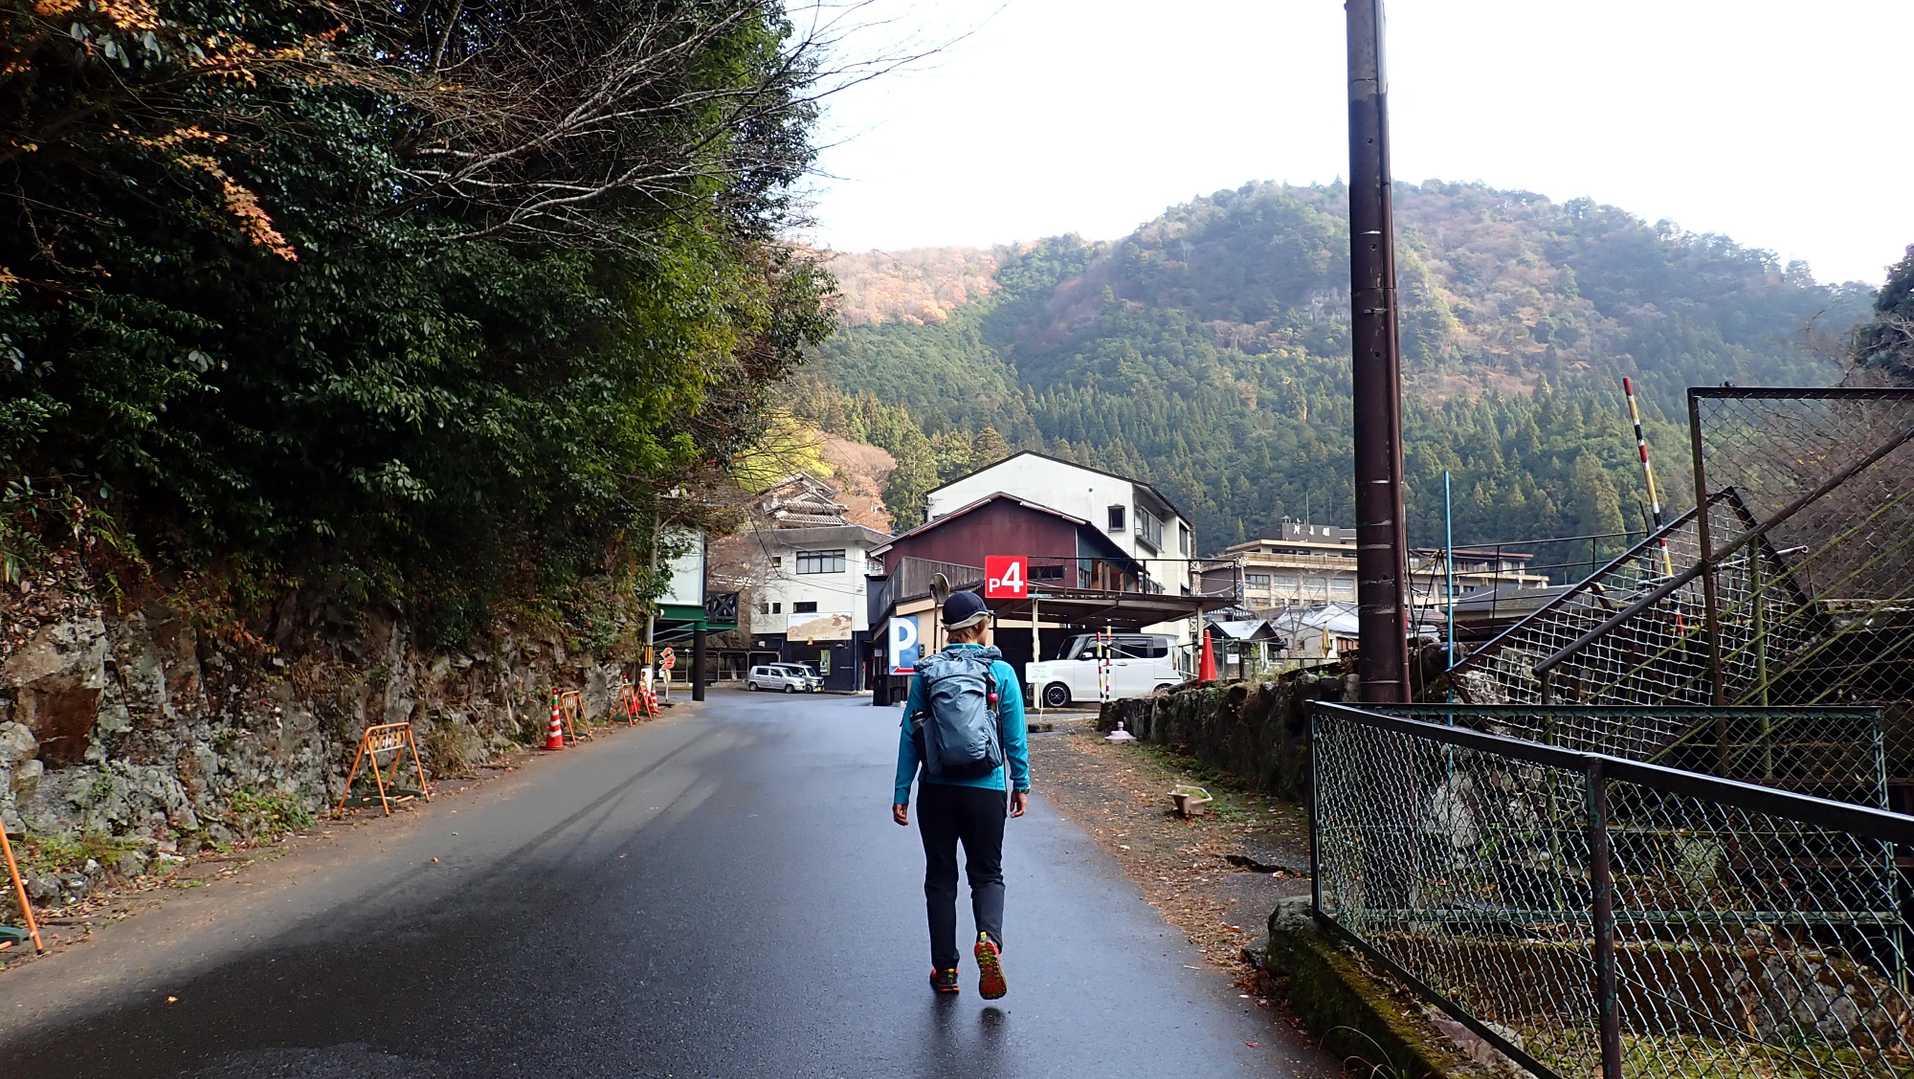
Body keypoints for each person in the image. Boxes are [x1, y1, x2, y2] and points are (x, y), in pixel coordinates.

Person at [892, 590, 1030, 999]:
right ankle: (989, 939)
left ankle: (946, 970)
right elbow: (1015, 736)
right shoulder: (1000, 672)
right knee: (987, 873)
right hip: (986, 790)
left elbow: (910, 735)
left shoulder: (927, 673)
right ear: (981, 626)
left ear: (948, 631)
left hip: (936, 790)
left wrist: (901, 790)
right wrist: (1021, 783)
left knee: (940, 877)